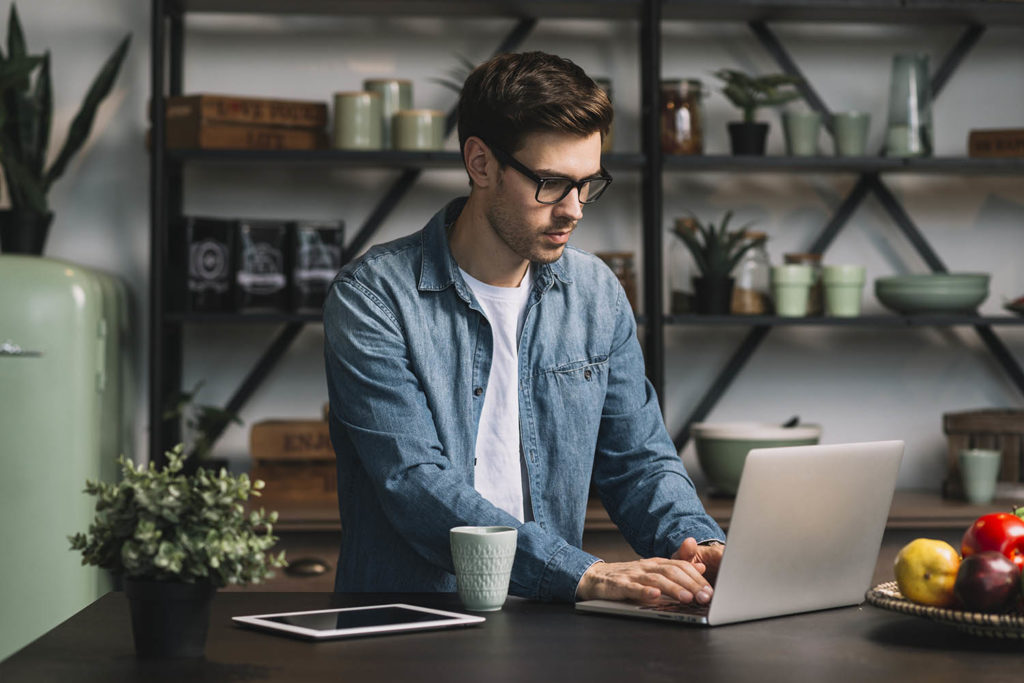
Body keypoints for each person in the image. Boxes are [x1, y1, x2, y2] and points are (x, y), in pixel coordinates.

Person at [323, 51, 725, 605]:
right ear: (481, 163)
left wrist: (699, 546)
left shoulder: (596, 294)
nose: (574, 210)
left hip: (549, 621)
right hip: (413, 623)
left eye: (588, 184)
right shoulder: (373, 298)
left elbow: (639, 460)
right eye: (552, 183)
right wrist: (582, 574)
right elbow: (413, 483)